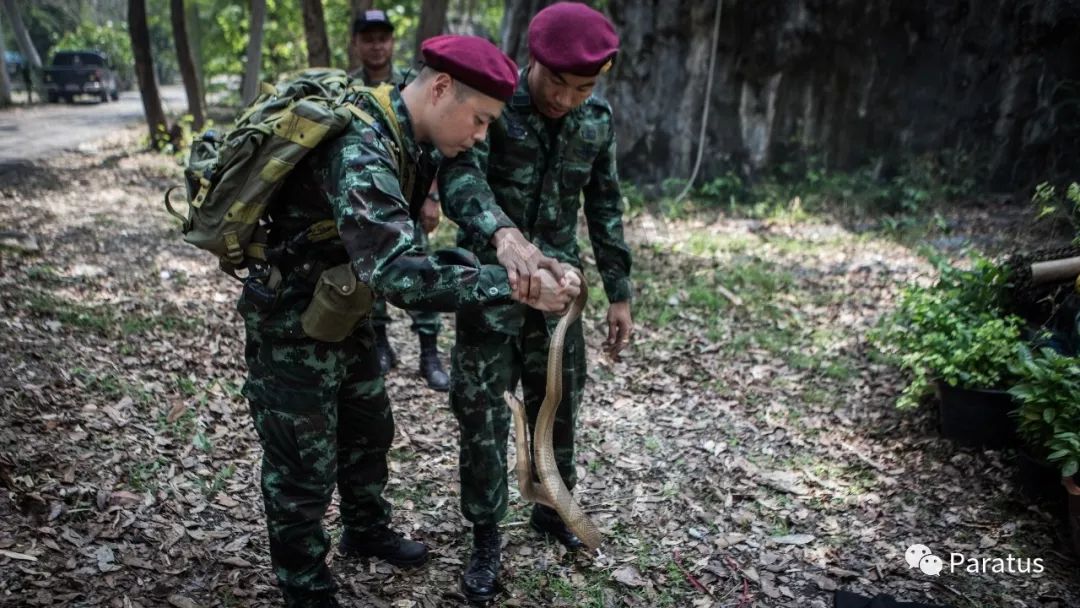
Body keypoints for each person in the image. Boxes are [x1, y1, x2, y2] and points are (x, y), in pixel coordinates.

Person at [240, 35, 579, 608]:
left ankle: (366, 530)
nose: (478, 137)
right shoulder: (360, 146)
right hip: (293, 321)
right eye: (478, 120)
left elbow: (415, 251)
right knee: (302, 464)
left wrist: (509, 245)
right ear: (441, 88)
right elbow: (401, 275)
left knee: (367, 430)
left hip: (346, 311)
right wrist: (516, 286)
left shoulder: (413, 139)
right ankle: (305, 586)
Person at [439, 3, 633, 603]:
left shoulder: (596, 119)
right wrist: (505, 236)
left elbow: (604, 206)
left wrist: (620, 293)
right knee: (484, 414)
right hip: (491, 287)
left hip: (559, 301)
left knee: (559, 405)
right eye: (557, 82)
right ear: (533, 61)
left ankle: (551, 509)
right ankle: (485, 535)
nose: (567, 98)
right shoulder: (494, 108)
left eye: (583, 87)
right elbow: (461, 181)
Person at [349, 9, 451, 390]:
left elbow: (434, 141)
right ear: (356, 43)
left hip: (411, 196)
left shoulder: (411, 86)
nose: (376, 45)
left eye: (382, 37)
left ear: (392, 41)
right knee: (370, 274)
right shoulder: (349, 88)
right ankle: (380, 344)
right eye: (368, 38)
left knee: (420, 268)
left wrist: (432, 197)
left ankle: (430, 353)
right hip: (368, 201)